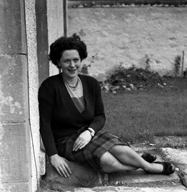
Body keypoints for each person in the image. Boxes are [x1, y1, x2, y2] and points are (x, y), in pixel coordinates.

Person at [38, 34, 175, 178]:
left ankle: (148, 167)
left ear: (81, 59)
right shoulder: (49, 87)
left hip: (90, 134)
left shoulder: (91, 84)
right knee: (106, 161)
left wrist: (89, 132)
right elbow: (45, 123)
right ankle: (144, 164)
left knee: (118, 149)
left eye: (76, 60)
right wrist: (53, 155)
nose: (72, 65)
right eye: (66, 61)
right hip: (65, 140)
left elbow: (100, 116)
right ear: (58, 62)